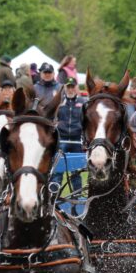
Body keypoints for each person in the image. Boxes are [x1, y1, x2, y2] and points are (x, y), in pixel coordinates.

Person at [55, 77, 86, 211]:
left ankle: (77, 199)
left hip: (76, 140)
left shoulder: (83, 103)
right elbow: (53, 118)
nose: (71, 89)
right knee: (57, 170)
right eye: (68, 87)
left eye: (73, 86)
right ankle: (54, 197)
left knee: (76, 171)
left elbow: (86, 120)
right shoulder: (59, 103)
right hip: (61, 140)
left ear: (76, 87)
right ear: (65, 88)